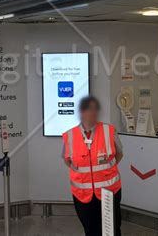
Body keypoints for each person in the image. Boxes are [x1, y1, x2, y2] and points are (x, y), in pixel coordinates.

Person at [62, 96, 123, 236]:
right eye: (89, 109)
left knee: (111, 230)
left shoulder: (109, 131)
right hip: (82, 195)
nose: (93, 113)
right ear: (81, 112)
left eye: (95, 109)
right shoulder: (70, 135)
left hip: (109, 192)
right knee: (91, 230)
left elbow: (119, 154)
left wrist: (104, 172)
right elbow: (67, 161)